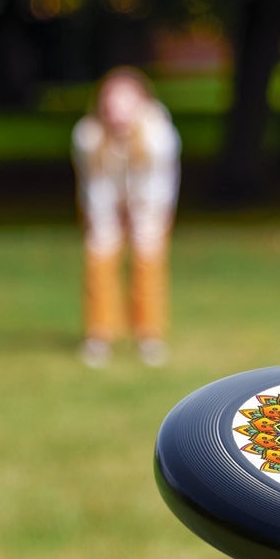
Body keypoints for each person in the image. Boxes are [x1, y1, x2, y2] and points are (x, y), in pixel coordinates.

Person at [72, 66, 181, 367]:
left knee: (148, 260)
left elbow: (158, 185)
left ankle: (149, 336)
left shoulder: (159, 135)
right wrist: (107, 220)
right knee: (99, 256)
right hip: (104, 203)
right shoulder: (88, 135)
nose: (117, 110)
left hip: (149, 204)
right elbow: (95, 185)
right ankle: (99, 335)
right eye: (111, 101)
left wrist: (141, 217)